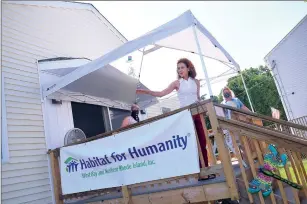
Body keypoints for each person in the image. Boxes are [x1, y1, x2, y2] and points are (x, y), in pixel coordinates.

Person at [136, 58, 214, 179]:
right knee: (193, 143)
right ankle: (198, 172)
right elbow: (161, 93)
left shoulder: (196, 82)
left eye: (182, 67)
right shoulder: (177, 83)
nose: (180, 70)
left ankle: (205, 170)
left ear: (188, 68)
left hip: (198, 114)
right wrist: (146, 91)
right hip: (187, 115)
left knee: (203, 142)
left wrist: (205, 107)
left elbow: (197, 98)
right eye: (178, 68)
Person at [221, 87, 250, 167]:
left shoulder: (236, 100)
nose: (227, 94)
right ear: (223, 95)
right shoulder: (222, 103)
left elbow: (243, 107)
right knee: (236, 143)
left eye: (228, 92)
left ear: (230, 92)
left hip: (240, 123)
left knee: (243, 142)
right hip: (230, 125)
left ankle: (246, 160)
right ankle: (241, 162)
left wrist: (251, 113)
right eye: (225, 93)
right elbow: (222, 114)